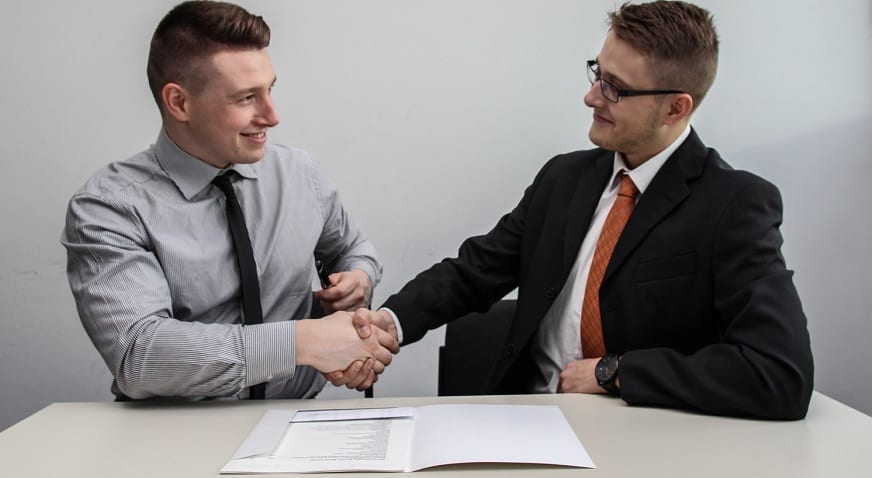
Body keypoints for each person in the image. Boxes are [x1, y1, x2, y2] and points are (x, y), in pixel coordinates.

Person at [339, 0, 814, 419]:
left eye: (615, 88)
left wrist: (615, 373)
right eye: (597, 74)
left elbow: (779, 373)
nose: (591, 97)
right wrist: (389, 322)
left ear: (675, 108)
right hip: (526, 420)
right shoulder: (564, 179)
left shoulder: (734, 204)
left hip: (645, 439)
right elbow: (474, 272)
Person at [61, 0, 397, 401]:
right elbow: (140, 356)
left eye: (270, 90)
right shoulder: (108, 208)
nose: (272, 116)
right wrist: (299, 342)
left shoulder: (300, 174)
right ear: (179, 103)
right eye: (246, 98)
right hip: (173, 438)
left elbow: (353, 249)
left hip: (296, 422)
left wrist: (357, 279)